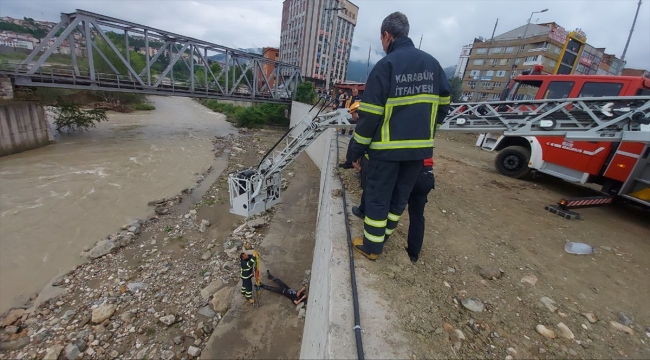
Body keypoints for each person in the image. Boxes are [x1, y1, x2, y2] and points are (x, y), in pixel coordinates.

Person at [348, 12, 451, 260]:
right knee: (399, 197)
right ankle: (383, 236)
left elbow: (370, 115)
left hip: (386, 150)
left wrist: (356, 149)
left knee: (378, 197)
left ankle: (372, 246)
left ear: (386, 35)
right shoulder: (433, 65)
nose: (382, 45)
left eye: (381, 40)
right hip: (418, 151)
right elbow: (445, 103)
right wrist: (429, 130)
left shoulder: (386, 66)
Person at [352, 156, 435, 263]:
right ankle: (413, 254)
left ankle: (376, 240)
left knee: (387, 203)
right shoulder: (423, 144)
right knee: (417, 216)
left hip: (410, 173)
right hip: (427, 176)